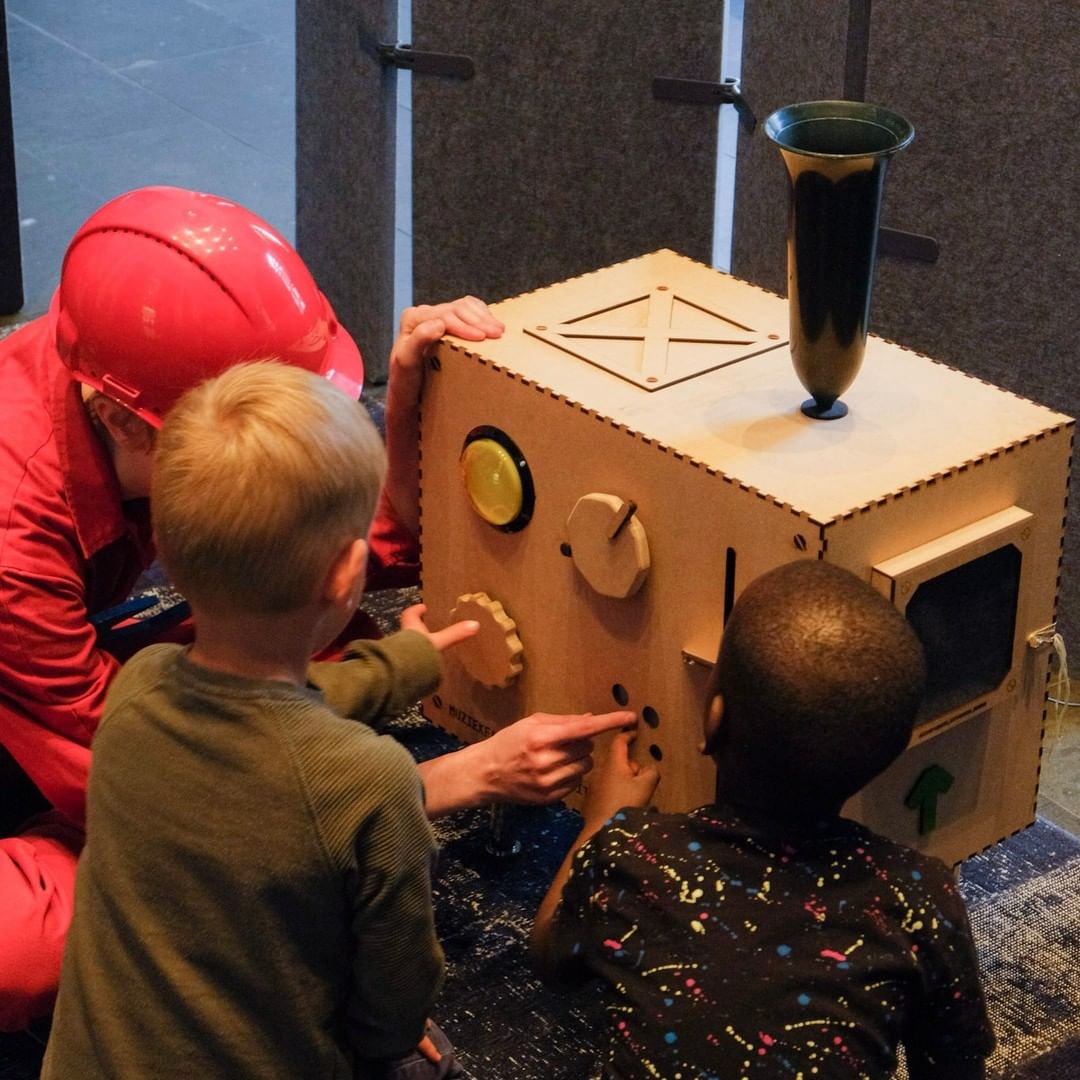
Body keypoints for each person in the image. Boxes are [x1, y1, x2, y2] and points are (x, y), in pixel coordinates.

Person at [0, 185, 633, 1030]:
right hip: (80, 728)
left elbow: (351, 550)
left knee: (281, 640)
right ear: (127, 423)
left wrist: (412, 401)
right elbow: (151, 779)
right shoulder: (14, 531)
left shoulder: (135, 371)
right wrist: (448, 780)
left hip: (67, 691)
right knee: (44, 947)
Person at [41, 362, 478, 1078]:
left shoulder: (139, 689)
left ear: (169, 560)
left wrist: (404, 663)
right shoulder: (373, 784)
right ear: (346, 575)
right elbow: (392, 1016)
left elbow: (271, 719)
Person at [531, 560, 995, 1080]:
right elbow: (955, 1065)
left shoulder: (632, 851)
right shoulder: (918, 895)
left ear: (714, 720)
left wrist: (603, 819)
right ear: (888, 755)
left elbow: (552, 956)